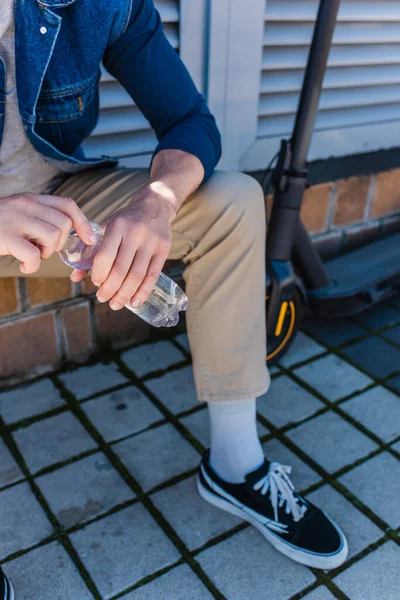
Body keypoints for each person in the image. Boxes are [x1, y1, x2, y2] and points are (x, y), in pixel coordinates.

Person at [0, 0, 348, 596]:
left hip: (58, 202)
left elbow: (190, 118)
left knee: (231, 200)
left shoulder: (102, 6)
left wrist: (157, 201)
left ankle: (236, 466)